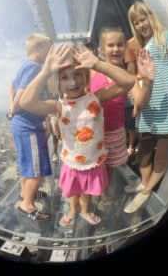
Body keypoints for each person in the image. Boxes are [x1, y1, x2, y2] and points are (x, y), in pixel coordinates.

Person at [20, 43, 154, 227]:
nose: (72, 82)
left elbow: (128, 82)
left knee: (87, 192)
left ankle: (84, 211)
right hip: (72, 163)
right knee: (73, 192)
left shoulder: (96, 97)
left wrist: (97, 64)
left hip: (93, 161)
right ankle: (73, 211)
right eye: (64, 77)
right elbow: (26, 103)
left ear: (86, 76)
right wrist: (45, 71)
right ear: (57, 82)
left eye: (77, 74)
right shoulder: (59, 105)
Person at [123, 1, 168, 214]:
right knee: (143, 152)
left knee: (161, 154)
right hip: (151, 107)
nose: (141, 24)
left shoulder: (166, 38)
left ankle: (146, 192)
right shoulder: (144, 47)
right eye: (137, 22)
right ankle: (145, 182)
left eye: (143, 19)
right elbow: (143, 77)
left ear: (150, 16)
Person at [89, 27, 154, 182]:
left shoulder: (127, 75)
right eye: (111, 45)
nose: (116, 49)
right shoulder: (93, 71)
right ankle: (96, 194)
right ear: (101, 49)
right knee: (92, 167)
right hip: (92, 131)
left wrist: (148, 81)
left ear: (125, 48)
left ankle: (106, 193)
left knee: (110, 167)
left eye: (120, 45)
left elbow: (140, 101)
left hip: (114, 133)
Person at [9, 33, 54, 221]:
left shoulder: (24, 66)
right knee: (37, 169)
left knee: (25, 163)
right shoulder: (35, 67)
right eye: (49, 48)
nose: (51, 53)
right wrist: (13, 108)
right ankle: (27, 205)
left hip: (21, 125)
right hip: (29, 126)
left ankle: (24, 193)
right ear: (39, 49)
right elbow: (21, 92)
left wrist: (12, 109)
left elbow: (11, 86)